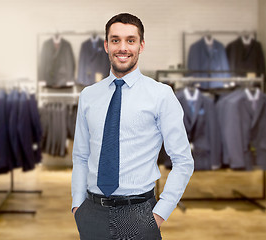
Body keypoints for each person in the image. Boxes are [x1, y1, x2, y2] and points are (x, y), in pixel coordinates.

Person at [71, 13, 194, 239]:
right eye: (116, 40)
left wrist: (159, 214)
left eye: (131, 40)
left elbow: (183, 161)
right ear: (106, 45)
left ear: (141, 45)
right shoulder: (88, 95)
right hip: (91, 212)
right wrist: (77, 206)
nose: (123, 48)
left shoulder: (161, 95)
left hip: (139, 213)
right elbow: (80, 156)